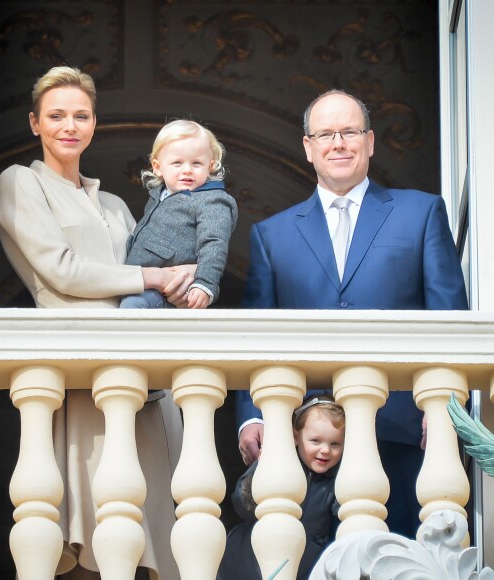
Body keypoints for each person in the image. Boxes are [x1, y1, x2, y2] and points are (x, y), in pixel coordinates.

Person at [236, 89, 468, 538]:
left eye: (349, 131)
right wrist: (252, 414)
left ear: (371, 141)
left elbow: (449, 319)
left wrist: (445, 409)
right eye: (325, 133)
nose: (338, 143)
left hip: (402, 429)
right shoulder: (271, 234)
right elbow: (256, 335)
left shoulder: (421, 212)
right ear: (308, 146)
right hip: (306, 443)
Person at [0, 65, 193, 579]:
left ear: (94, 123)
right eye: (56, 115)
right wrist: (152, 276)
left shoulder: (115, 204)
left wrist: (186, 277)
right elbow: (60, 271)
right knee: (94, 539)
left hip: (144, 378)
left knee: (155, 536)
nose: (69, 126)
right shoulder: (20, 182)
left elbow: (149, 277)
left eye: (80, 116)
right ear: (35, 123)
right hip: (84, 380)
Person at [218, 395, 345, 580]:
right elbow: (241, 504)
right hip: (254, 554)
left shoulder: (334, 480)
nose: (325, 450)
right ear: (295, 437)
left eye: (335, 444)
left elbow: (345, 515)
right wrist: (259, 472)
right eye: (315, 441)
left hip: (305, 559)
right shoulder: (276, 461)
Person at [120, 120, 238, 309]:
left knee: (133, 307)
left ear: (210, 166)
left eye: (197, 163)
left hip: (166, 292)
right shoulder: (159, 196)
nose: (187, 170)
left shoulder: (213, 201)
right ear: (157, 167)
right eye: (177, 163)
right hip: (138, 281)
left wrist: (204, 284)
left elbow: (214, 244)